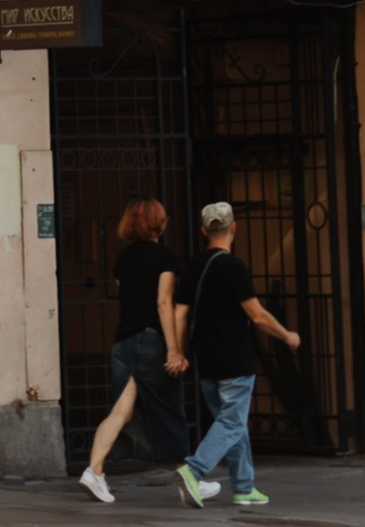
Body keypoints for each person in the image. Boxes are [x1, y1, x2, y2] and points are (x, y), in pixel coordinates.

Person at [171, 202, 299, 511]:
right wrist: (286, 335)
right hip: (235, 359)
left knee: (232, 423)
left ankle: (243, 487)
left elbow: (180, 313)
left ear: (203, 231)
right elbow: (257, 316)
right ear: (234, 228)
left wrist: (178, 350)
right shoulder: (234, 267)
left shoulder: (193, 266)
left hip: (207, 361)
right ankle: (194, 469)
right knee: (231, 422)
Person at [80, 198, 187, 504]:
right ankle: (191, 478)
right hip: (150, 341)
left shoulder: (122, 260)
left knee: (121, 412)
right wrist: (174, 349)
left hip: (122, 342)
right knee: (170, 410)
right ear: (159, 223)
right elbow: (163, 302)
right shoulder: (165, 257)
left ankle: (94, 470)